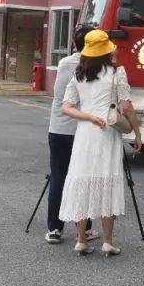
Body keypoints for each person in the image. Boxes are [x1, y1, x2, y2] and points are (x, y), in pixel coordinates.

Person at [59, 30, 142, 257]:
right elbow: (126, 106)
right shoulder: (117, 72)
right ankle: (107, 241)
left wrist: (88, 116)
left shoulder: (79, 74)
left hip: (85, 134)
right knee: (107, 181)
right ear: (107, 50)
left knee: (81, 180)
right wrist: (137, 133)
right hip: (107, 134)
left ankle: (81, 240)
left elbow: (66, 106)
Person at [44, 26, 95, 245]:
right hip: (80, 132)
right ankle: (83, 229)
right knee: (81, 179)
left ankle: (54, 229)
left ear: (74, 43)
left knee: (58, 178)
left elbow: (59, 95)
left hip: (57, 129)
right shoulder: (96, 68)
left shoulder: (64, 64)